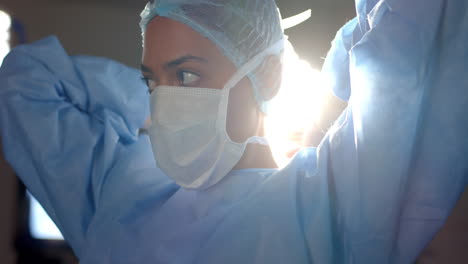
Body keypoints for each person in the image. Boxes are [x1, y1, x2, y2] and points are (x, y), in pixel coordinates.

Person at [0, 0, 467, 263]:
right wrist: (150, 100)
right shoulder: (120, 188)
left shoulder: (328, 205)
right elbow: (22, 82)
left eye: (186, 76)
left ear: (266, 77)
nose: (166, 101)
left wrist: (360, 40)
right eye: (151, 79)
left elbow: (425, 27)